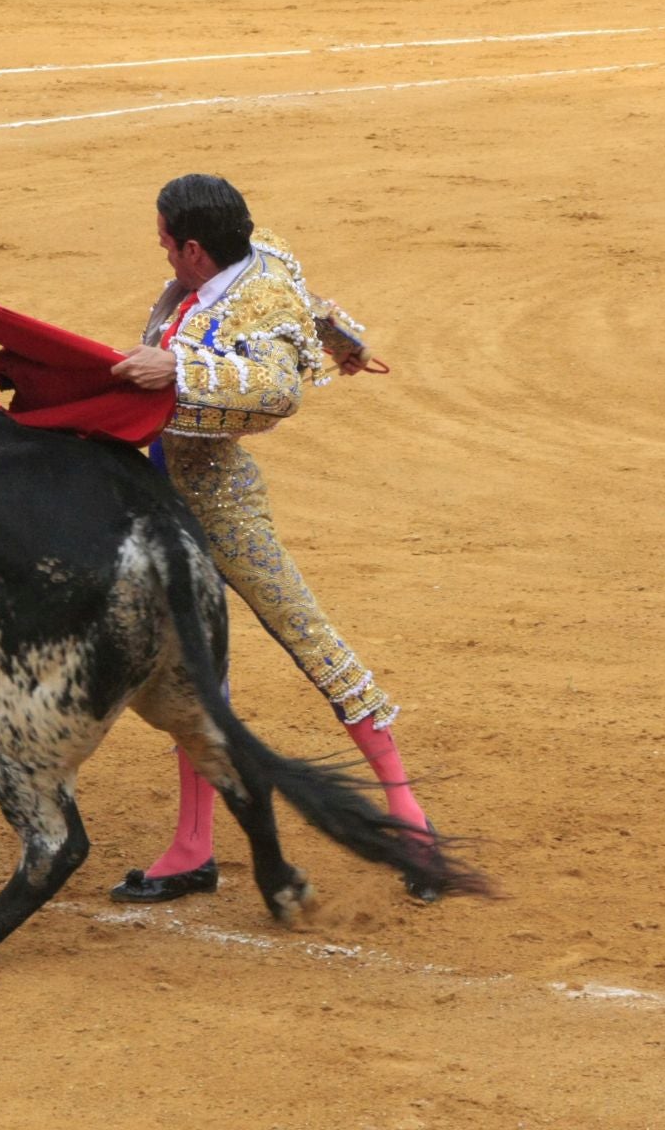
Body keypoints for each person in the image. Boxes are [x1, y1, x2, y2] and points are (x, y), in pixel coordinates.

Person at [108, 173, 438, 903]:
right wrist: (346, 340)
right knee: (191, 674)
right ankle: (193, 846)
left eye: (166, 240)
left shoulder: (255, 294)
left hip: (219, 504)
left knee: (309, 637)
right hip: (156, 500)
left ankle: (409, 819)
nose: (160, 250)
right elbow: (310, 304)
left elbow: (277, 389)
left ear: (194, 247)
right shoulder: (264, 254)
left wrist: (179, 366)